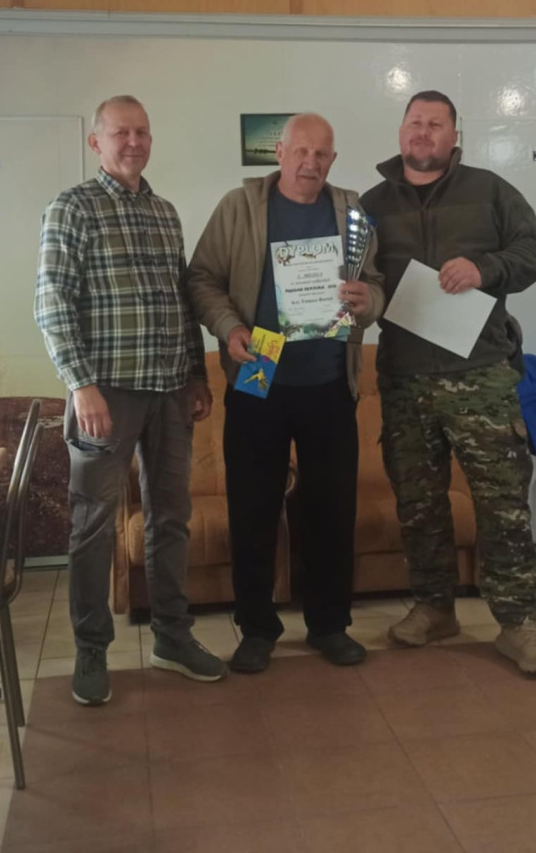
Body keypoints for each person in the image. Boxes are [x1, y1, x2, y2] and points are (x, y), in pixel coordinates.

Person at [360, 90, 536, 676]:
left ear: (454, 136)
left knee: (503, 504)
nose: (422, 132)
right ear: (401, 131)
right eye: (414, 122)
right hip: (404, 379)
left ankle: (519, 624)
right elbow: (358, 276)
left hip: (481, 375)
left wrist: (485, 268)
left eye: (435, 124)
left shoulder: (491, 191)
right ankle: (434, 607)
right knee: (418, 505)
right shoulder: (369, 206)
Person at [35, 94, 226, 705]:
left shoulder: (165, 213)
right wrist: (81, 385)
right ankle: (92, 649)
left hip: (169, 392)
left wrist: (195, 374)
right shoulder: (72, 208)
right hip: (105, 394)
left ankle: (172, 637)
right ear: (96, 142)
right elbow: (52, 302)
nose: (134, 142)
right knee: (93, 524)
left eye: (142, 132)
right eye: (121, 133)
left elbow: (181, 300)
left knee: (170, 518)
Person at [188, 113, 385, 672]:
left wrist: (369, 300)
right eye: (300, 151)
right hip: (260, 372)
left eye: (321, 154)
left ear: (333, 160)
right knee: (252, 509)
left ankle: (329, 625)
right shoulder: (239, 207)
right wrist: (229, 327)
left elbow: (377, 283)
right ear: (279, 153)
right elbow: (201, 279)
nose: (310, 163)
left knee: (331, 511)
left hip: (330, 380)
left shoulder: (352, 213)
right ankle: (257, 629)